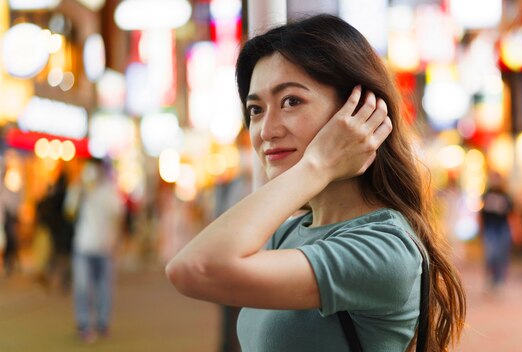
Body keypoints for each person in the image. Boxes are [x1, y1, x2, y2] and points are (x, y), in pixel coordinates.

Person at [167, 14, 465, 351]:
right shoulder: (290, 233)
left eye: (291, 101)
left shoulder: (384, 248)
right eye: (256, 109)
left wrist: (317, 165)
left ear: (357, 112)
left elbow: (195, 269)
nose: (266, 130)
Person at [69, 159, 123, 343]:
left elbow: (118, 215)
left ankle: (102, 322)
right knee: (83, 287)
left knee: (103, 288)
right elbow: (69, 211)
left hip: (105, 247)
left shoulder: (110, 191)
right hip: (83, 245)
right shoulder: (81, 190)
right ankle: (84, 324)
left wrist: (116, 241)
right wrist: (79, 189)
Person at [479, 171, 513, 292]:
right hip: (490, 228)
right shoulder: (486, 194)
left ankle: (499, 280)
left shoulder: (505, 195)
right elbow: (481, 213)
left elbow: (512, 212)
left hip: (502, 227)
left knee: (502, 255)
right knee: (491, 255)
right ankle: (491, 279)